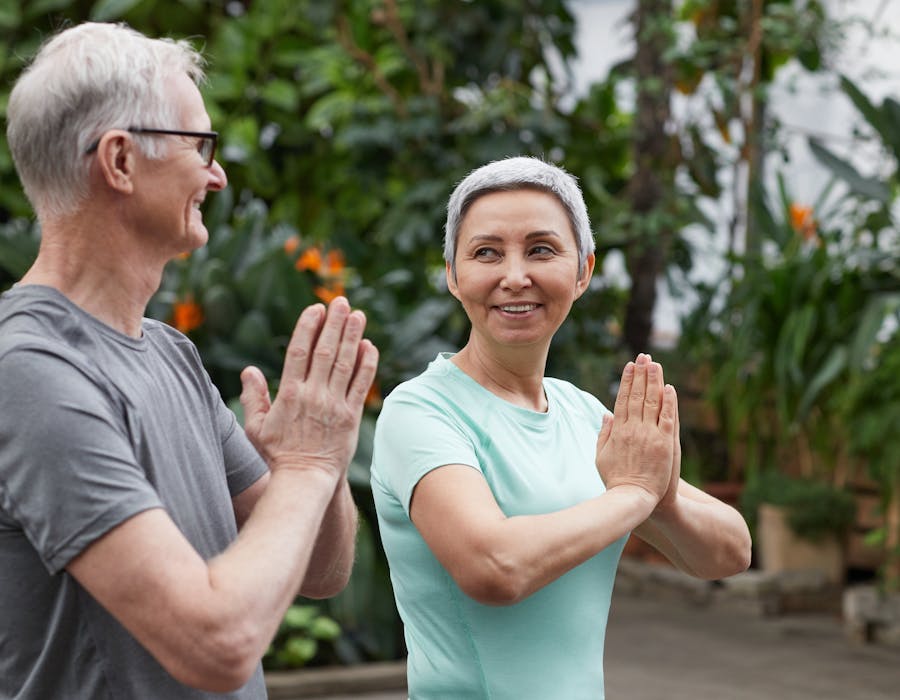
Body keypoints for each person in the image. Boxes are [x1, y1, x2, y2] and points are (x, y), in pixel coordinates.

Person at [0, 22, 378, 699]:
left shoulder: (170, 353)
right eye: (200, 145)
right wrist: (308, 466)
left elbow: (322, 573)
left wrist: (321, 459)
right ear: (120, 160)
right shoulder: (29, 371)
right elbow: (216, 644)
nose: (217, 174)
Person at [370, 156, 752, 699]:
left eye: (541, 249)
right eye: (486, 253)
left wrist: (662, 501)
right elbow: (494, 567)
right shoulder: (421, 411)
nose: (514, 277)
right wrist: (633, 494)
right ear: (453, 275)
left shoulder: (580, 413)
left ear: (583, 272)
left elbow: (731, 552)